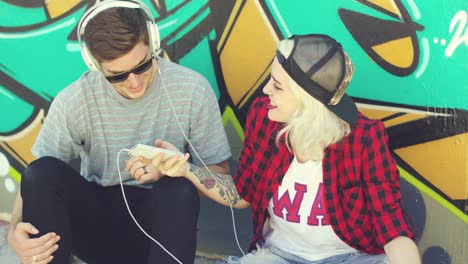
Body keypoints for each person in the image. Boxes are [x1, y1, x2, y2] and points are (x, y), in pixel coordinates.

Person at [147, 34, 421, 263]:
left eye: (277, 86)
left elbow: (392, 230)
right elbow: (242, 194)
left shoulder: (364, 138)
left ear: (308, 101)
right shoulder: (264, 118)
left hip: (349, 257)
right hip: (278, 256)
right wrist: (185, 168)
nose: (266, 90)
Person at [7, 1, 231, 263]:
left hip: (161, 228)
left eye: (142, 65)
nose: (134, 82)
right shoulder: (76, 100)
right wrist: (14, 231)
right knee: (41, 171)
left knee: (177, 189)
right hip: (97, 225)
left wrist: (178, 171)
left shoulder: (192, 90)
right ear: (94, 64)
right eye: (117, 75)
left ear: (153, 43)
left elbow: (223, 178)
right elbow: (36, 178)